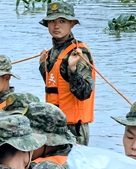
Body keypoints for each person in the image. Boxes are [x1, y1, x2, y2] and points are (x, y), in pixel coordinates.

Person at [39, 0, 95, 146]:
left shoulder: (79, 53)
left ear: (72, 24)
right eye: (52, 21)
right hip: (53, 126)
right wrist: (42, 66)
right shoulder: (51, 54)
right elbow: (53, 86)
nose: (56, 26)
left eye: (62, 21)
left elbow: (84, 93)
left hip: (73, 129)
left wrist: (73, 69)